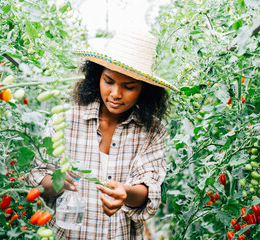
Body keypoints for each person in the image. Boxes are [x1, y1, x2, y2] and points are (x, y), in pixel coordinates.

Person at [25, 27, 178, 240]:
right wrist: (58, 181)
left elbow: (149, 188)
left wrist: (126, 193)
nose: (115, 94)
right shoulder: (66, 120)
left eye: (129, 86)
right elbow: (37, 176)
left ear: (144, 89)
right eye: (108, 81)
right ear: (97, 77)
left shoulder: (151, 130)